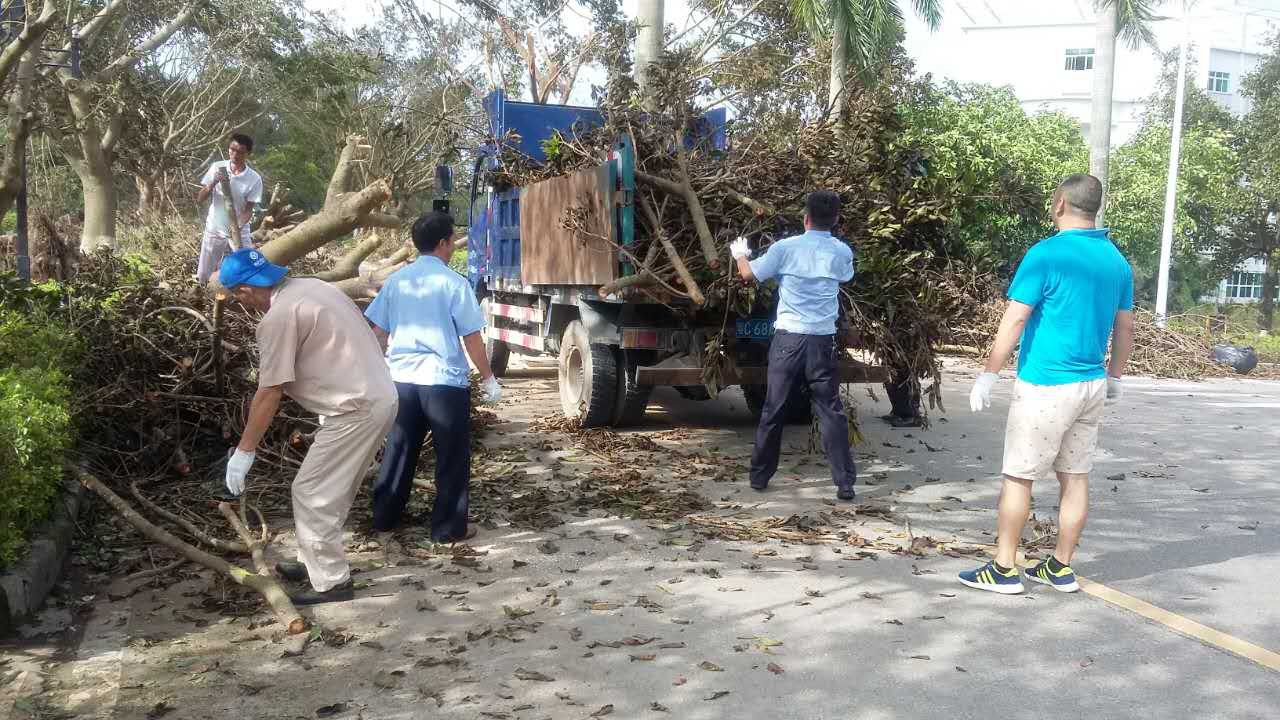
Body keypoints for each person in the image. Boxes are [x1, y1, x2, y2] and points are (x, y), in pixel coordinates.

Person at [960, 173, 1135, 595]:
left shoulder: (1045, 255)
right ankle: (1060, 567)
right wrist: (1115, 377)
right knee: (1075, 476)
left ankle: (1003, 570)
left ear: (1059, 203)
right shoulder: (1116, 260)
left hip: (1045, 385)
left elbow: (1016, 317)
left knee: (1019, 476)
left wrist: (989, 372)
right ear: (1094, 208)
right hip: (1091, 384)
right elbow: (1125, 328)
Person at [220, 248, 398, 605]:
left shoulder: (279, 317)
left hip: (355, 409)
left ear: (244, 291)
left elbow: (269, 391)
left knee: (311, 492)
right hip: (375, 398)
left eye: (236, 296)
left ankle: (332, 582)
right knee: (330, 489)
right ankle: (312, 560)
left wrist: (244, 452)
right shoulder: (314, 288)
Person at [364, 212, 501, 543]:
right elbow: (471, 337)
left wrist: (370, 373)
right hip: (443, 383)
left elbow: (378, 332)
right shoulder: (453, 283)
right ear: (443, 243)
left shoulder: (397, 281)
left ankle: (384, 517)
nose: (453, 245)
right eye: (452, 240)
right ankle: (447, 529)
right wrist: (488, 378)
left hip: (404, 382)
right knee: (451, 457)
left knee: (399, 449)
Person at [730, 190, 858, 501]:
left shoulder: (785, 248)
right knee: (830, 410)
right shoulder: (842, 252)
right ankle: (844, 483)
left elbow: (748, 275)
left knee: (774, 408)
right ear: (836, 220)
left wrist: (739, 254)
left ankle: (760, 477)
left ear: (805, 218)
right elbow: (845, 278)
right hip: (821, 341)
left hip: (788, 340)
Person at [195, 134, 263, 283]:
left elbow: (248, 210)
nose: (235, 155)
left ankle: (248, 295)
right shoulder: (217, 167)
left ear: (248, 154)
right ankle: (200, 291)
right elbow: (200, 198)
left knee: (248, 264)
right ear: (228, 149)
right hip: (215, 226)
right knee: (204, 270)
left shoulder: (254, 179)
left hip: (239, 228)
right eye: (232, 150)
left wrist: (236, 227)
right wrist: (213, 182)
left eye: (240, 152)